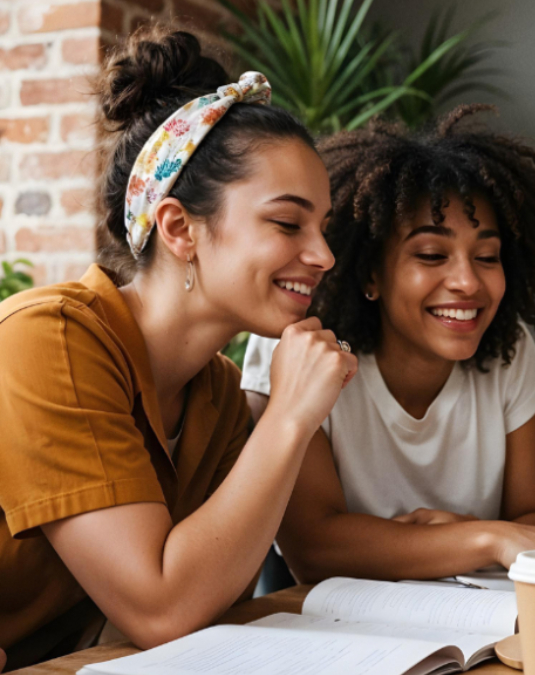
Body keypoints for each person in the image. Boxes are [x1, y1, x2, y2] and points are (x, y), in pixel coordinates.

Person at [0, 28, 356, 667]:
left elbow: (210, 607)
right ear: (178, 227)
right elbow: (163, 609)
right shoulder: (49, 339)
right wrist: (289, 415)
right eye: (287, 222)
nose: (324, 256)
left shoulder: (217, 397)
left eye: (322, 228)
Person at [240, 107, 535, 595]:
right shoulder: (299, 348)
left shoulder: (508, 350)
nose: (467, 282)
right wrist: (484, 538)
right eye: (432, 255)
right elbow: (314, 549)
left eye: (487, 257)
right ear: (371, 272)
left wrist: (465, 536)